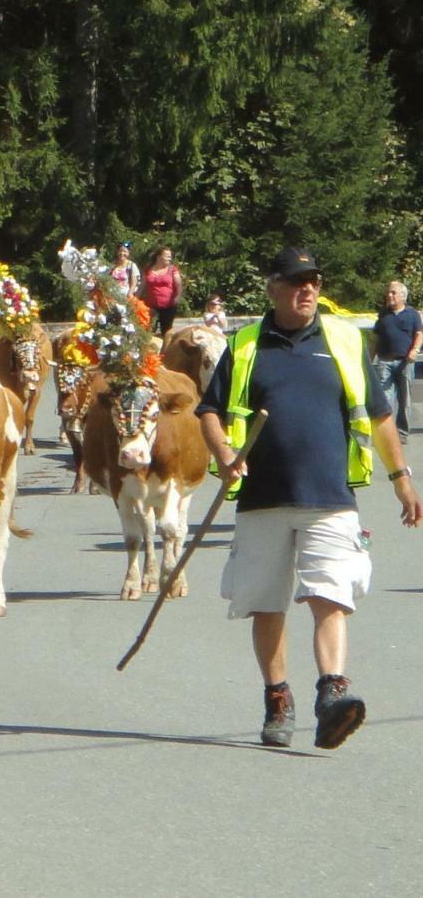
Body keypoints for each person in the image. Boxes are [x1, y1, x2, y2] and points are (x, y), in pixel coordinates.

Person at [197, 246, 422, 751]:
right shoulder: (246, 344)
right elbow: (209, 410)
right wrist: (226, 451)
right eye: (297, 282)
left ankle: (331, 694)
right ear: (273, 287)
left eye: (314, 281)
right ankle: (278, 699)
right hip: (262, 497)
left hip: (329, 496)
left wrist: (401, 477)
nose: (308, 290)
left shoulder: (343, 339)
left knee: (331, 595)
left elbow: (380, 414)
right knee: (266, 603)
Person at [371, 280, 422, 444]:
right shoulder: (383, 314)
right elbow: (375, 338)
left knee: (404, 399)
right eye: (389, 292)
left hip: (405, 362)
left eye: (393, 292)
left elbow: (419, 334)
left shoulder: (412, 314)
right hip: (384, 362)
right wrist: (369, 360)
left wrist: (414, 350)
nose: (389, 295)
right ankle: (387, 433)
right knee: (385, 399)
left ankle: (402, 433)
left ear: (403, 296)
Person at [141, 245, 183, 337]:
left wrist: (178, 296)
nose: (170, 258)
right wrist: (135, 297)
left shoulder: (173, 269)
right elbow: (142, 285)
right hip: (151, 305)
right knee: (149, 329)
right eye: (167, 255)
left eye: (170, 256)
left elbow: (178, 284)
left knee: (167, 331)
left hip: (168, 306)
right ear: (159, 257)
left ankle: (166, 350)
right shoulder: (148, 269)